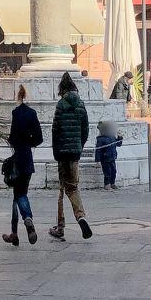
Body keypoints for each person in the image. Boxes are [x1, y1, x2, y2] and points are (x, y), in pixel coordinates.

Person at [47, 71, 93, 240]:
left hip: (62, 153)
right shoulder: (81, 105)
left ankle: (61, 226)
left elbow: (55, 130)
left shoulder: (60, 105)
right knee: (73, 186)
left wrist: (56, 151)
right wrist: (79, 146)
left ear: (61, 89)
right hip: (74, 152)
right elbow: (86, 129)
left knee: (62, 189)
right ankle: (80, 217)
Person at [3, 85, 41, 246]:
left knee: (19, 195)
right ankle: (14, 233)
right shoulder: (32, 114)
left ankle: (27, 218)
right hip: (27, 158)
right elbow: (39, 138)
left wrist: (13, 140)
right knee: (18, 194)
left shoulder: (16, 113)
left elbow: (12, 136)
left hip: (17, 158)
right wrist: (29, 142)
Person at [94, 120, 121, 188]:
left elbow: (118, 144)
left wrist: (120, 137)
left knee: (114, 171)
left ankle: (112, 183)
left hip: (112, 157)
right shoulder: (100, 139)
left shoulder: (112, 137)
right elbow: (98, 150)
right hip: (105, 158)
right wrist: (97, 161)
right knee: (107, 172)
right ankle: (107, 184)